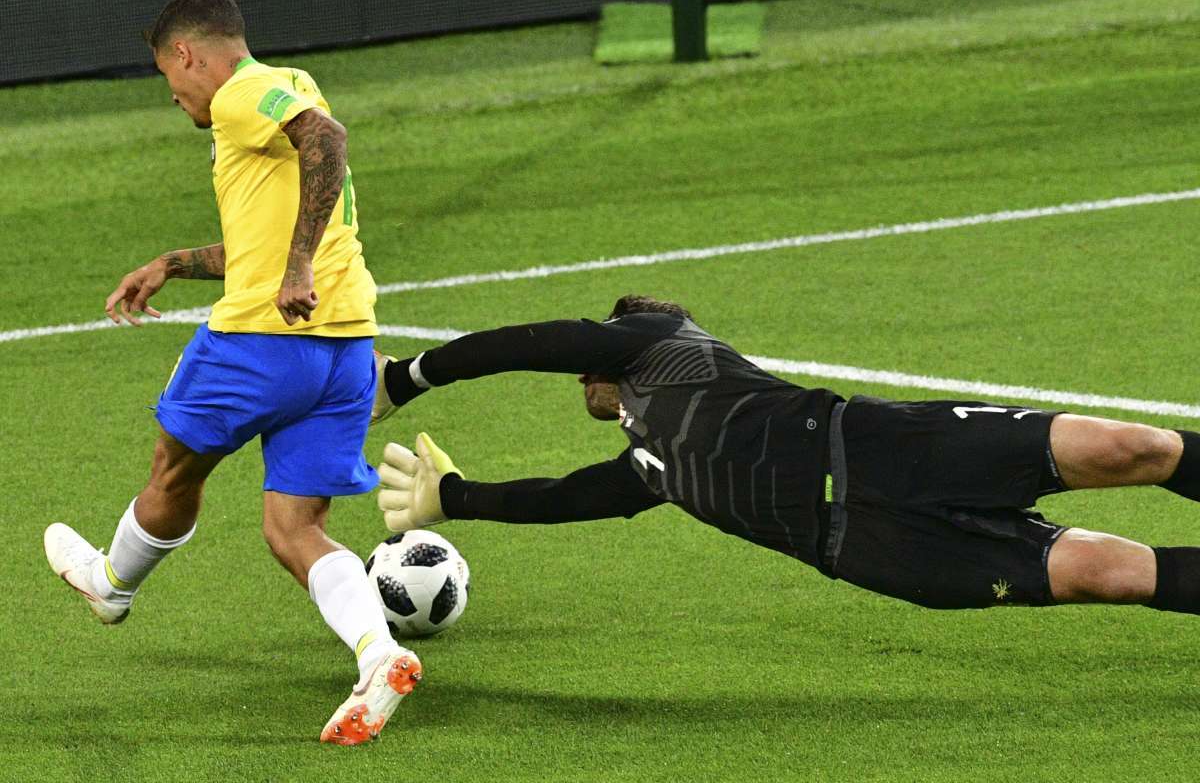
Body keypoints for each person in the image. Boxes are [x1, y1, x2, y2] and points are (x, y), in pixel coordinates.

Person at [42, 0, 417, 746]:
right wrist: (175, 262)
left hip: (261, 343)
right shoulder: (284, 89)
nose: (173, 97)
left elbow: (329, 141)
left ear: (186, 53)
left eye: (166, 77)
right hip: (345, 346)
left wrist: (299, 267)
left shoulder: (246, 94)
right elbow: (265, 235)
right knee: (294, 528)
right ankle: (380, 654)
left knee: (173, 472)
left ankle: (112, 586)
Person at [370, 294, 1200, 615]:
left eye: (594, 356)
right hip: (872, 550)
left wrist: (412, 377)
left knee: (1138, 446)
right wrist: (459, 497)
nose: (580, 372)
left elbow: (536, 341)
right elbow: (566, 497)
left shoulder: (663, 348)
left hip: (885, 447)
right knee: (1108, 574)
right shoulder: (649, 471)